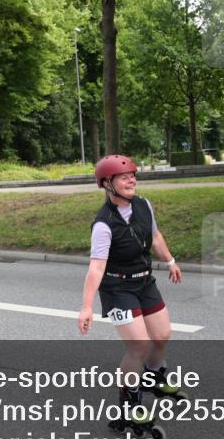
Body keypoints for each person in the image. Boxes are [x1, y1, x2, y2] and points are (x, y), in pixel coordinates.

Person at [78, 155, 183, 419]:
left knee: (161, 336)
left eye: (133, 175)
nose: (131, 180)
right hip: (117, 287)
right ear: (106, 184)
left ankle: (154, 376)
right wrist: (87, 306)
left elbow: (155, 236)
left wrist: (169, 261)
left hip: (144, 280)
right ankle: (129, 403)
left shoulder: (144, 205)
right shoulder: (103, 224)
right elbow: (96, 268)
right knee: (138, 346)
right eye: (124, 177)